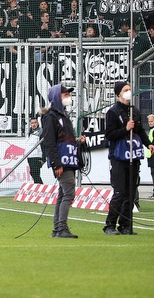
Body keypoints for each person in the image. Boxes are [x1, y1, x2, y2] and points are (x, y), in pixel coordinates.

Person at [104, 81, 154, 235]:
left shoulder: (135, 112)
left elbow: (141, 131)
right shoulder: (113, 112)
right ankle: (110, 225)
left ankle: (126, 225)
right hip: (119, 158)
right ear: (119, 93)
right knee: (119, 192)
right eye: (126, 90)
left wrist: (148, 144)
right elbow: (109, 135)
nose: (129, 92)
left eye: (130, 89)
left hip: (133, 157)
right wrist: (124, 129)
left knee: (130, 193)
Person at [41, 84, 86, 238]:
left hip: (69, 159)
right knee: (69, 194)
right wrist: (56, 163)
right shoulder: (51, 117)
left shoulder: (63, 116)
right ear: (56, 97)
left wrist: (78, 141)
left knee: (63, 195)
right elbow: (50, 142)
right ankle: (61, 228)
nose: (68, 97)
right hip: (63, 161)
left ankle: (58, 228)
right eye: (65, 94)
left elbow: (66, 139)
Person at [24, 117, 44, 184]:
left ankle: (41, 186)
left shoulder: (41, 132)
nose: (33, 124)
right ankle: (38, 187)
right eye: (32, 123)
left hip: (37, 156)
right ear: (30, 124)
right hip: (29, 156)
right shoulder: (29, 132)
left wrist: (44, 158)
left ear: (38, 123)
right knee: (35, 174)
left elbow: (44, 146)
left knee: (34, 173)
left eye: (35, 122)